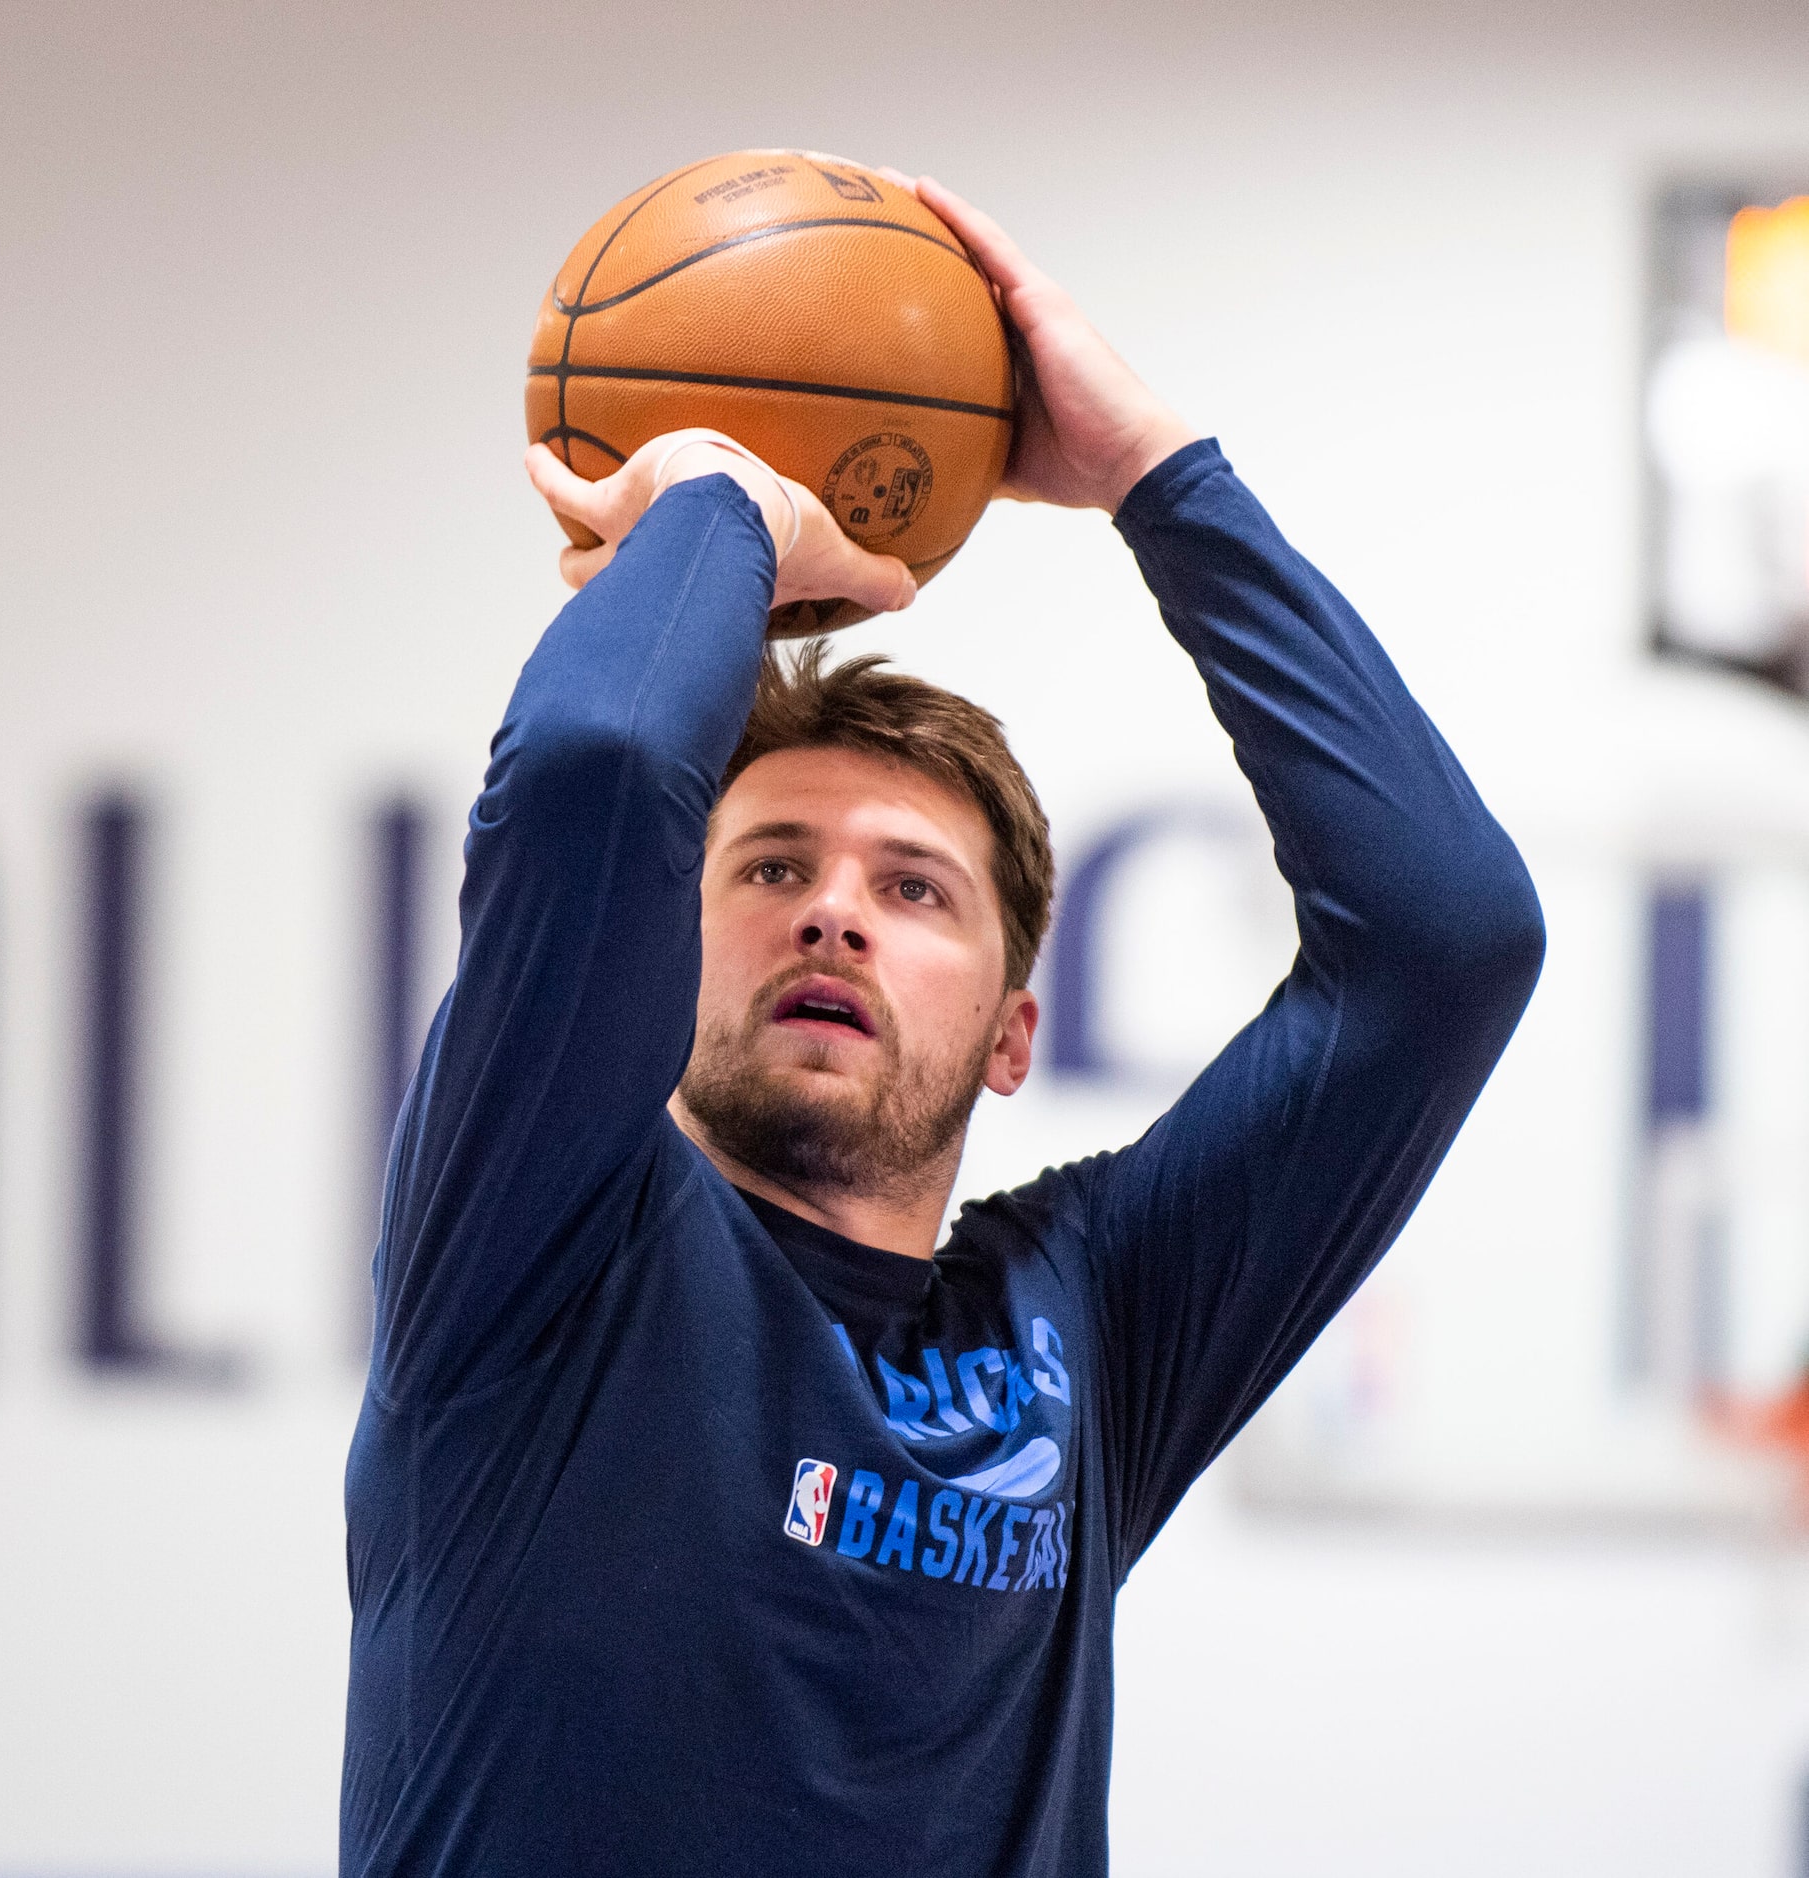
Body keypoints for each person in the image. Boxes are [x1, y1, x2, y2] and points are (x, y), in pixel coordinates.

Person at [339, 175, 1545, 1877]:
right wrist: (716, 497)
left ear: (1009, 1029)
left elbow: (1449, 937)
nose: (831, 907)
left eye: (914, 890)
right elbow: (601, 771)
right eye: (768, 864)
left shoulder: (1093, 1325)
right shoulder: (537, 1239)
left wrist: (1155, 478)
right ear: (656, 963)